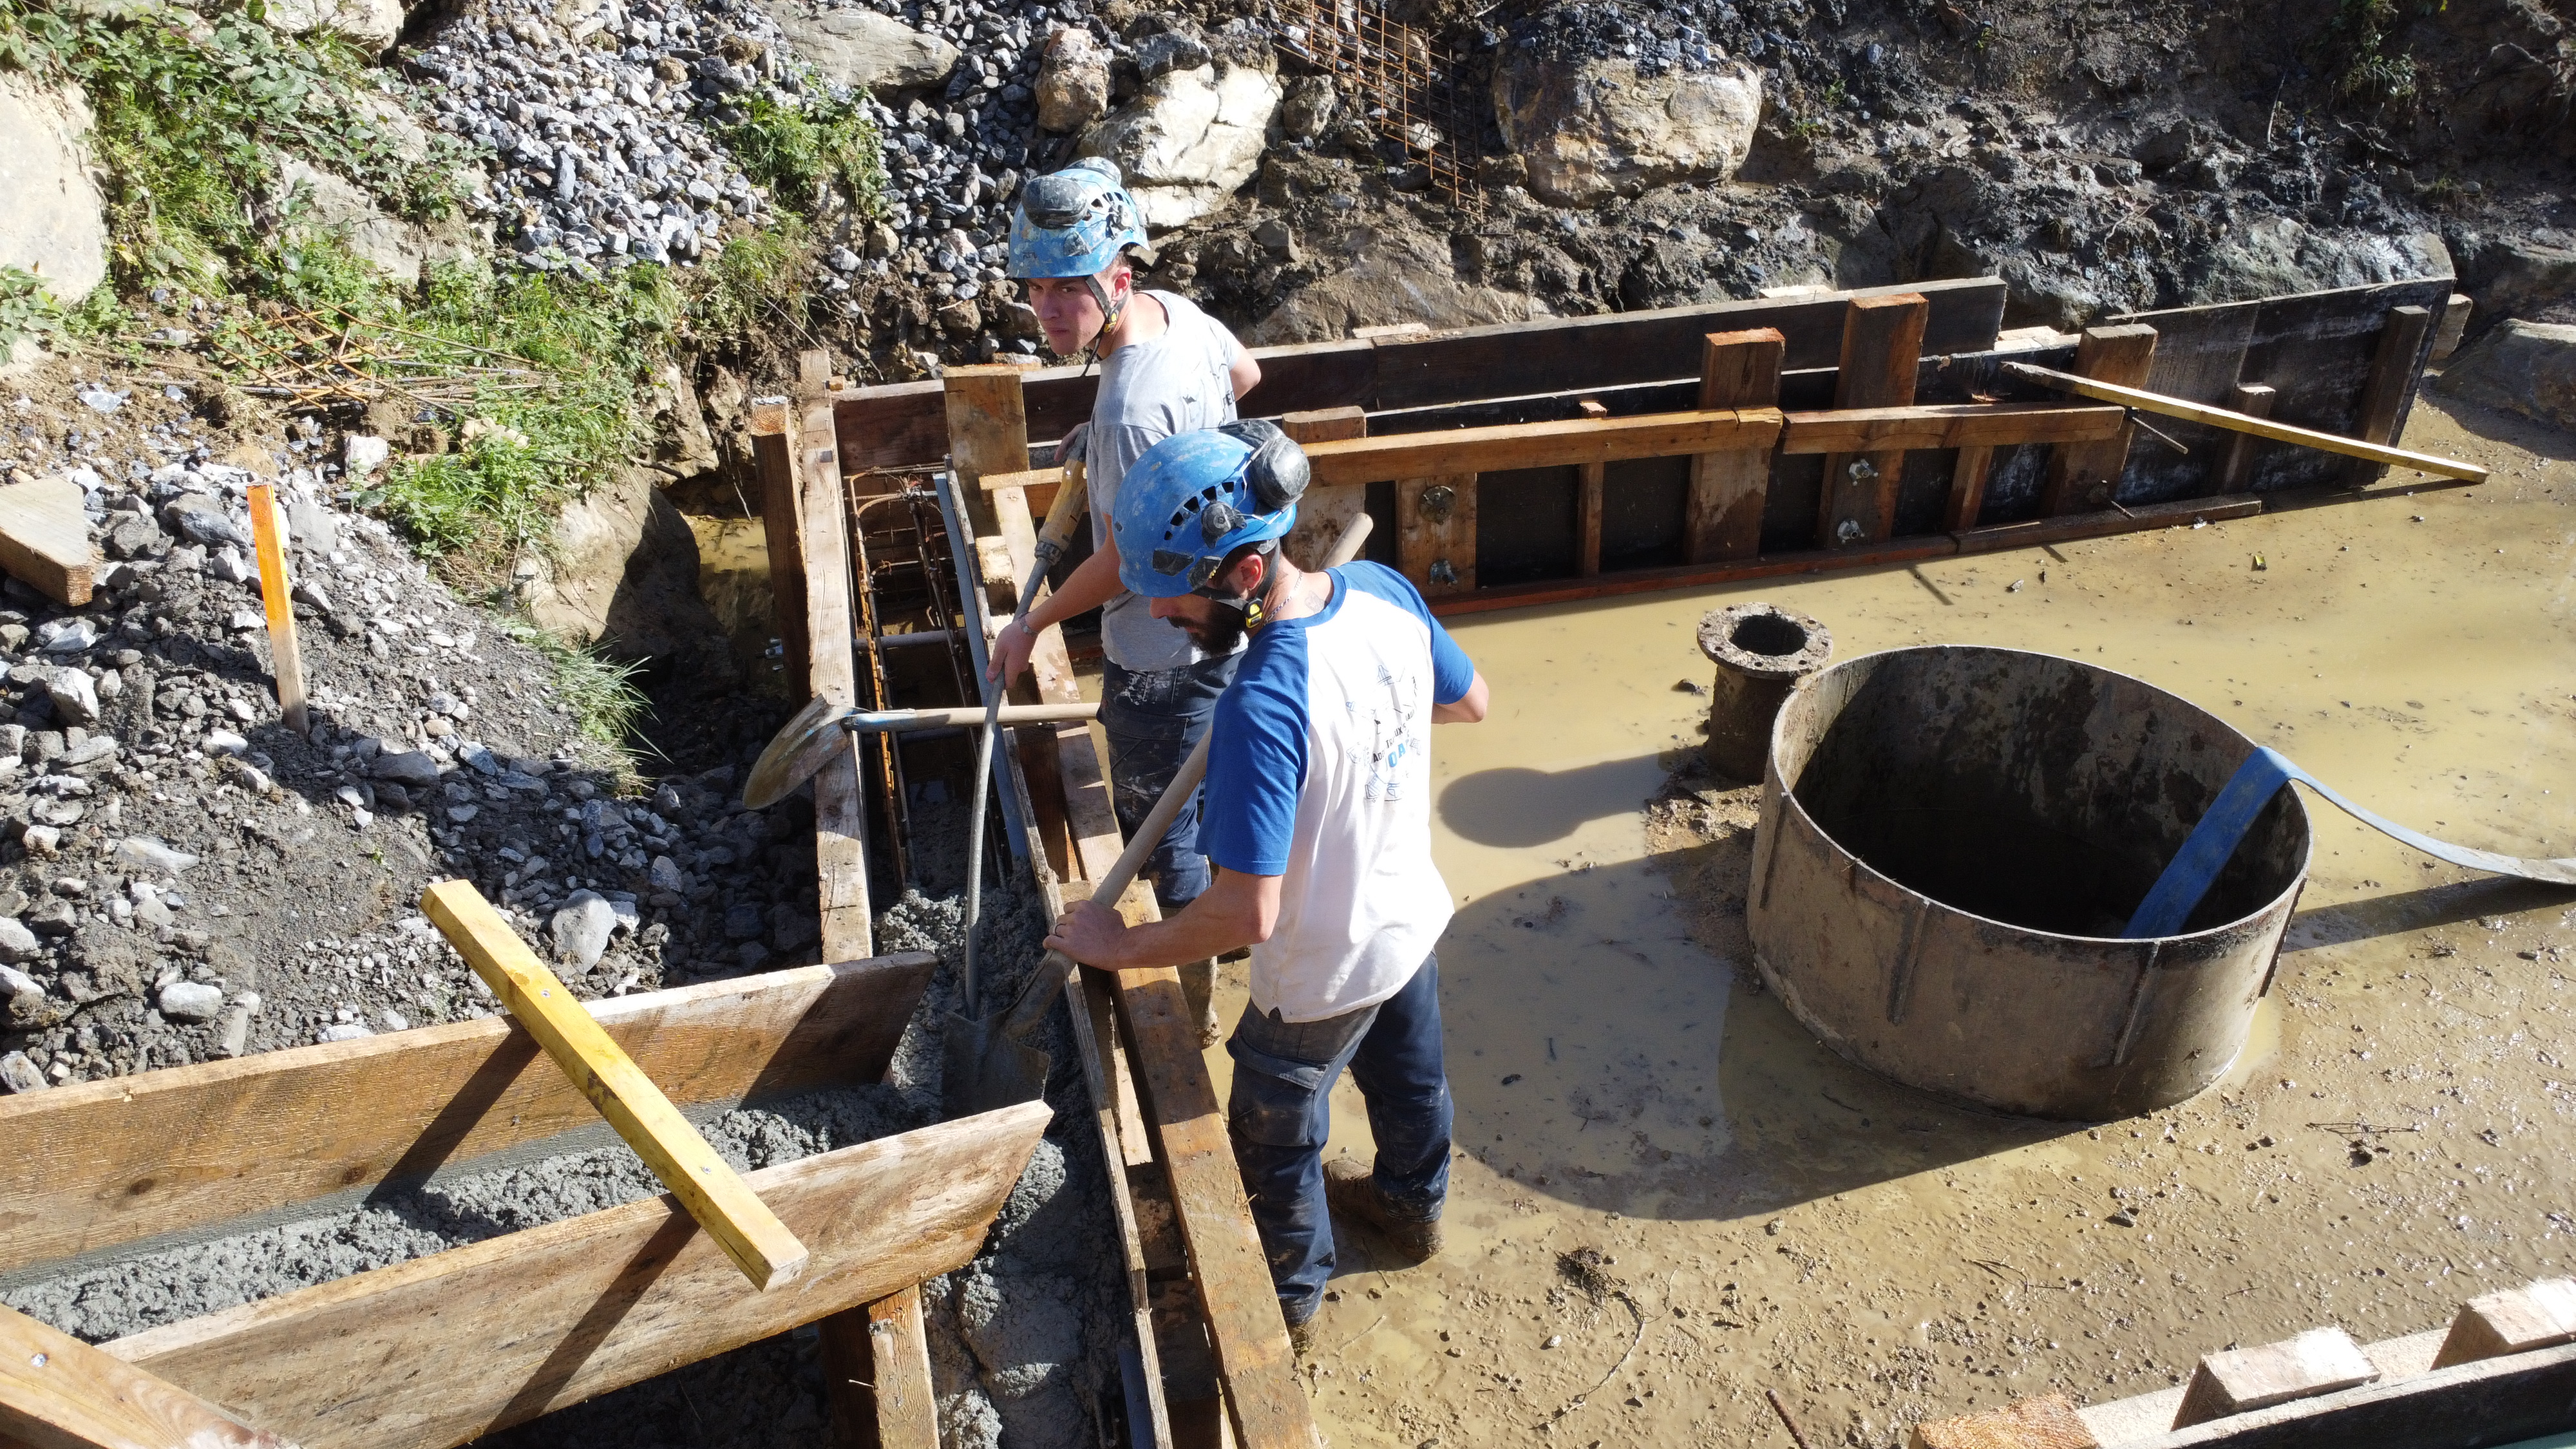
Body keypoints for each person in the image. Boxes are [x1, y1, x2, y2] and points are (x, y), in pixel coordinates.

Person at [1041, 426, 1491, 1353]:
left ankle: (1288, 1305)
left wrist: (1115, 944)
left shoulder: (1259, 707)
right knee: (1412, 1083)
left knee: (1272, 1136)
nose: (1159, 615)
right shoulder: (1384, 595)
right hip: (1407, 922)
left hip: (1319, 973)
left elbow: (1247, 912)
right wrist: (1369, 731)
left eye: (1172, 598)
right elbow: (1468, 701)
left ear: (1244, 574)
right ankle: (1412, 1211)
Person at [990, 157, 1262, 1041]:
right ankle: (1231, 926)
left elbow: (1118, 561)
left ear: (1118, 274)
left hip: (1159, 647)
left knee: (1161, 826)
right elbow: (1246, 377)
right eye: (1037, 290)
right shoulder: (1180, 317)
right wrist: (1132, 440)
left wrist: (1031, 621)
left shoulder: (1126, 414)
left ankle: (1193, 998)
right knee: (1224, 783)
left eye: (1069, 289)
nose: (1049, 310)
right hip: (1230, 611)